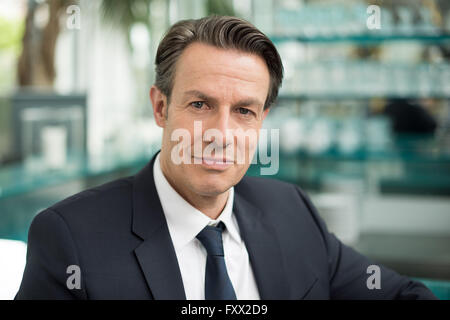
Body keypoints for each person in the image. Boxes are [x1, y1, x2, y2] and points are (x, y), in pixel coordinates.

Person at [16, 16, 436, 300]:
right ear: (161, 108)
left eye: (244, 111)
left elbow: (401, 294)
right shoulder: (70, 237)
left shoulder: (291, 209)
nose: (221, 134)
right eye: (200, 105)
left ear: (261, 120)